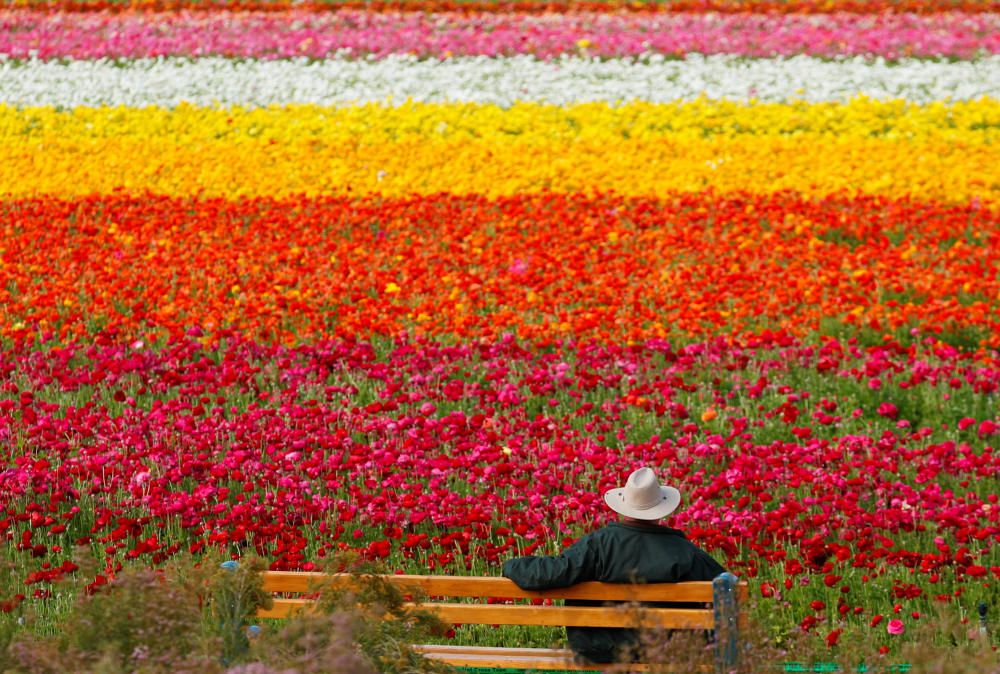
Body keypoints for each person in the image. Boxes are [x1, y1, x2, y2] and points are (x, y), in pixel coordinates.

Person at [501, 467, 726, 665]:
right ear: (661, 511)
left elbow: (552, 573)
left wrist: (510, 565)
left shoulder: (601, 544)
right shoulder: (684, 551)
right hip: (670, 650)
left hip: (604, 649)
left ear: (624, 507)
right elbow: (726, 590)